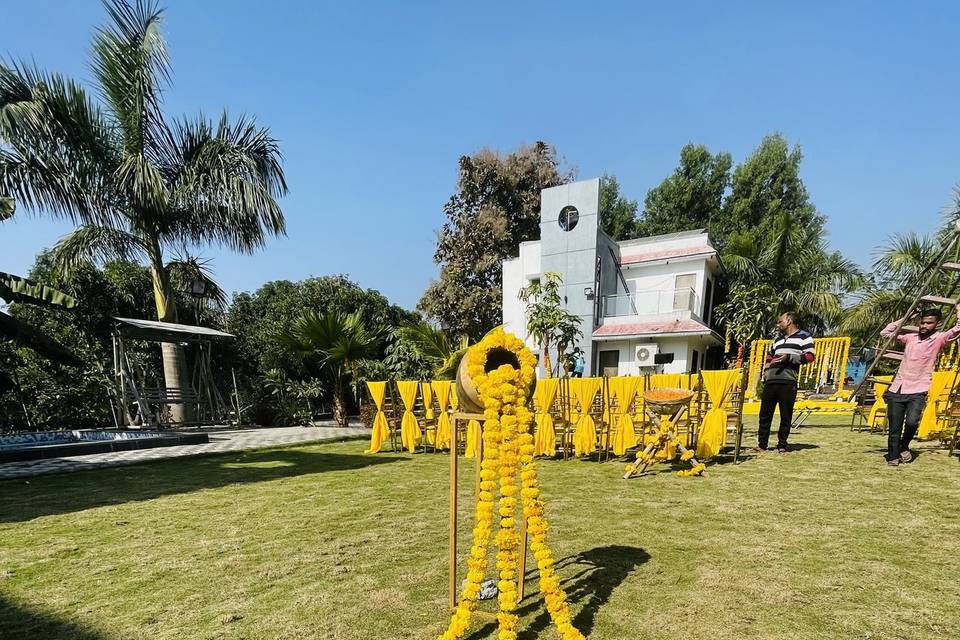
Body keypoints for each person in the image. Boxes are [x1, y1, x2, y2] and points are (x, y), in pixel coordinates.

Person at [878, 304, 960, 466]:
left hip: (918, 388)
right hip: (898, 388)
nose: (924, 326)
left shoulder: (939, 338)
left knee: (912, 422)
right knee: (895, 426)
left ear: (936, 324)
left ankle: (904, 445)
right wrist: (908, 317)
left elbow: (958, 328)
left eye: (929, 323)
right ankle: (893, 456)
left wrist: (958, 310)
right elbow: (885, 332)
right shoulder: (910, 337)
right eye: (922, 322)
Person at [755, 312, 815, 454]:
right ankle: (762, 445)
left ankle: (782, 445)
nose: (778, 324)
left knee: (785, 415)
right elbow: (770, 355)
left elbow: (810, 356)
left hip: (788, 381)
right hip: (771, 381)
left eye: (780, 321)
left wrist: (789, 357)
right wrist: (766, 369)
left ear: (789, 321)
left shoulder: (804, 337)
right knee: (764, 414)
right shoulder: (777, 339)